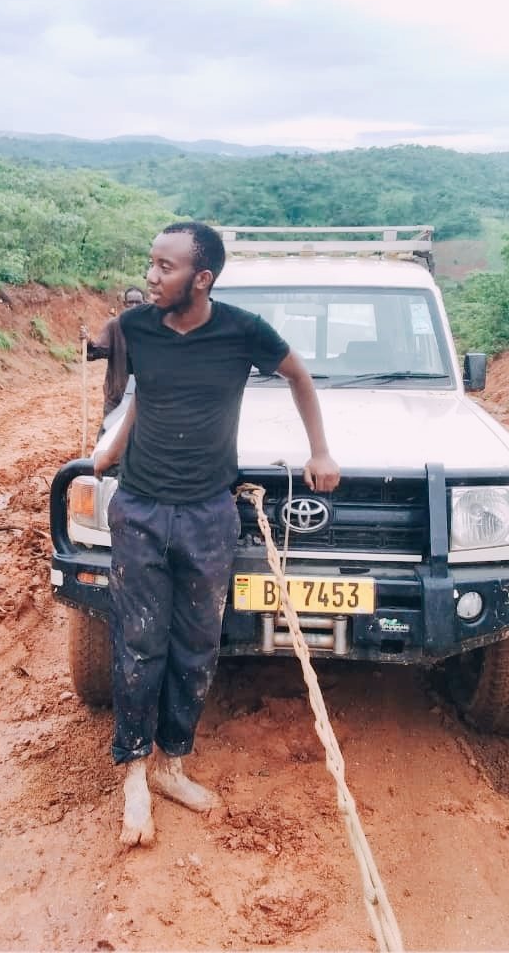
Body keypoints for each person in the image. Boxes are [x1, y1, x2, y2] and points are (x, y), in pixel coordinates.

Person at [93, 222, 341, 848]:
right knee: (138, 644)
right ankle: (134, 776)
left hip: (208, 513)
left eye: (165, 267)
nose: (151, 276)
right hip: (142, 509)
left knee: (196, 646)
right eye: (150, 263)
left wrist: (321, 452)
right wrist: (109, 449)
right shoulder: (137, 328)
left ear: (201, 279)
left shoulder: (242, 331)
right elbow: (144, 393)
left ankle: (173, 765)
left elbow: (300, 377)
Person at [79, 286, 145, 432]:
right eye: (130, 302)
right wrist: (88, 341)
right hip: (116, 399)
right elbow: (97, 350)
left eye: (138, 302)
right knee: (107, 439)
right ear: (124, 304)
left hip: (143, 401)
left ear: (144, 304)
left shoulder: (150, 328)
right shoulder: (114, 326)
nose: (134, 306)